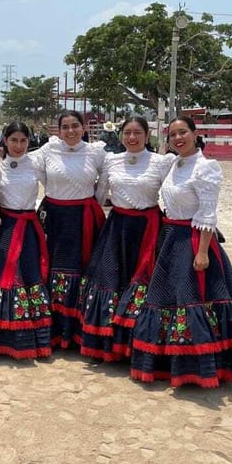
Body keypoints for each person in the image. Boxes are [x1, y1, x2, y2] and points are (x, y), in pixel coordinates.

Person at [130, 116, 232, 388]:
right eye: (172, 135)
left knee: (193, 299)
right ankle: (167, 363)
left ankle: (204, 366)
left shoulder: (206, 167)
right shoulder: (175, 164)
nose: (178, 138)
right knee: (166, 298)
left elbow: (207, 213)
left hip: (193, 240)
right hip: (170, 239)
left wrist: (202, 252)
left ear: (195, 133)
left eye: (183, 133)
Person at [80, 116, 172, 362]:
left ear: (146, 135)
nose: (132, 138)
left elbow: (174, 194)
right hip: (117, 228)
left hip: (148, 230)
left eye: (137, 133)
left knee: (143, 282)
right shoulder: (112, 161)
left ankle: (139, 345)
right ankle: (109, 345)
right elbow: (99, 195)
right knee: (110, 279)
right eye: (127, 133)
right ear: (121, 135)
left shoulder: (161, 163)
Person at [32, 110, 107, 349]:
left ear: (83, 128)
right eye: (65, 127)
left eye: (75, 126)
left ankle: (79, 332)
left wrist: (94, 204)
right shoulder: (47, 151)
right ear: (58, 130)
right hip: (54, 218)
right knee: (53, 269)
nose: (71, 131)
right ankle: (54, 332)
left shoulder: (96, 152)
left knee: (83, 270)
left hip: (84, 219)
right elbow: (25, 166)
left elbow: (105, 183)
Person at [0, 121, 51, 359]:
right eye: (14, 140)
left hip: (29, 228)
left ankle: (32, 339)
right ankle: (1, 339)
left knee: (30, 275)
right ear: (5, 140)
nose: (19, 146)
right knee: (5, 277)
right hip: (5, 228)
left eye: (23, 141)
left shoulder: (37, 165)